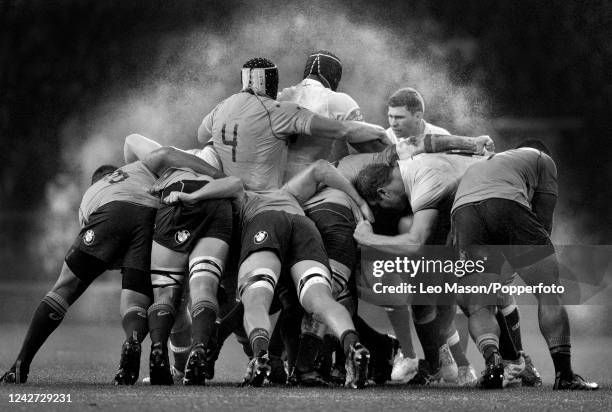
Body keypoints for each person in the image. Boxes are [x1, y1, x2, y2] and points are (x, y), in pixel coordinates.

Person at [450, 141, 598, 390]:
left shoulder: (490, 164)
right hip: (504, 204)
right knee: (548, 293)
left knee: (479, 306)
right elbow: (543, 220)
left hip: (463, 214)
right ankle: (565, 376)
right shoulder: (543, 159)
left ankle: (493, 362)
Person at [0, 159, 162, 385]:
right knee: (136, 299)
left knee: (65, 287)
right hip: (152, 215)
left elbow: (99, 252)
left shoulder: (94, 192)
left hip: (111, 214)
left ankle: (20, 366)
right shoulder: (140, 174)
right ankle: (133, 340)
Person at [352, 152, 484, 386]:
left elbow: (414, 244)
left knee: (460, 296)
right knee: (435, 294)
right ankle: (447, 364)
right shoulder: (416, 161)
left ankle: (454, 364)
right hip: (476, 211)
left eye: (380, 203)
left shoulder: (423, 187)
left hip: (484, 214)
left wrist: (367, 238)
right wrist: (471, 144)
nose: (385, 208)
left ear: (382, 192)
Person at [197, 57, 388, 191]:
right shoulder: (280, 109)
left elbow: (202, 136)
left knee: (208, 151)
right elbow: (349, 133)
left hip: (235, 186)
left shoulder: (223, 107)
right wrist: (382, 133)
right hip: (280, 191)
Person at [144, 164, 240, 386]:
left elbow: (140, 146)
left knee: (165, 291)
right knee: (204, 287)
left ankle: (158, 349)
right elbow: (236, 183)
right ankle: (198, 349)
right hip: (218, 202)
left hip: (178, 197)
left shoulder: (171, 164)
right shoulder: (219, 166)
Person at [385, 87, 450, 144]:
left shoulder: (443, 138)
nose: (393, 123)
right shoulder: (384, 140)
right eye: (390, 116)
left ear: (418, 116)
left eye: (399, 117)